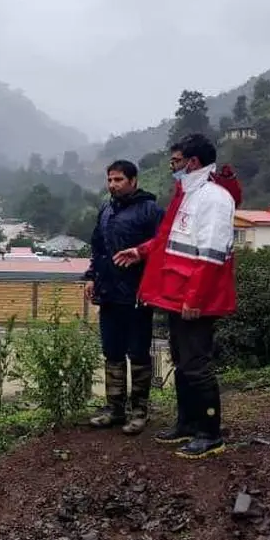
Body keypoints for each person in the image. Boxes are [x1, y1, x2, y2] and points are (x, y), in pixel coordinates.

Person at [114, 133, 240, 459]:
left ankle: (210, 433)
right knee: (182, 361)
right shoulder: (186, 194)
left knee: (197, 363)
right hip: (176, 292)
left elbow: (211, 255)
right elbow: (168, 239)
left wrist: (195, 299)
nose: (173, 167)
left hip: (195, 298)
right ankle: (186, 423)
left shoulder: (214, 198)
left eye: (176, 162)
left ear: (192, 162)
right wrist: (141, 251)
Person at [85, 160, 164, 435]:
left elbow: (163, 246)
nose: (112, 185)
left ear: (133, 180)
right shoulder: (106, 210)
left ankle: (140, 412)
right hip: (108, 294)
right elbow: (97, 247)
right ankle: (114, 409)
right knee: (112, 352)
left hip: (137, 294)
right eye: (110, 180)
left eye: (118, 180)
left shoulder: (150, 210)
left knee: (139, 354)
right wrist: (92, 277)